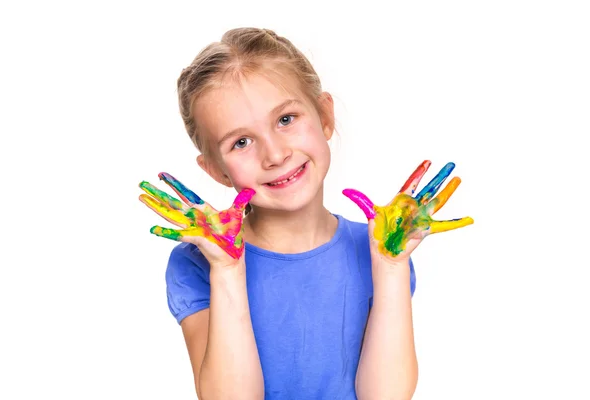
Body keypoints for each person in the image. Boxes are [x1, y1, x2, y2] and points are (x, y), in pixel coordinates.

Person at [139, 27, 473, 400]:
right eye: (241, 142)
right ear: (217, 170)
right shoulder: (199, 263)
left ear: (325, 116)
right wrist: (228, 270)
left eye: (286, 120)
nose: (275, 154)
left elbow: (385, 396)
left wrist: (391, 269)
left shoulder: (380, 248)